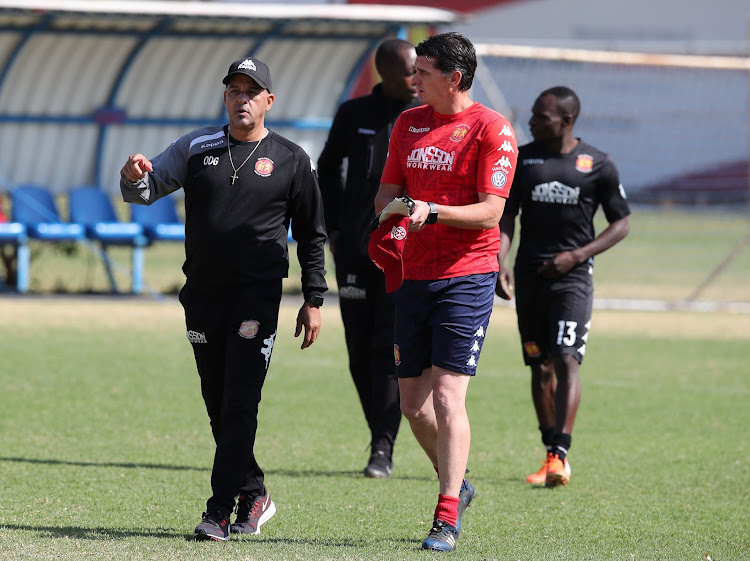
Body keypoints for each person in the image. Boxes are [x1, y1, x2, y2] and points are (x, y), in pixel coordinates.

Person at [120, 57, 328, 542]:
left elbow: (312, 235)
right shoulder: (196, 146)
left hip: (256, 298)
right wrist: (133, 176)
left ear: (269, 101)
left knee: (239, 403)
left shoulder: (292, 159)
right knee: (217, 402)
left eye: (251, 92)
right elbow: (146, 192)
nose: (242, 99)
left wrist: (314, 296)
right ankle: (254, 492)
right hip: (202, 295)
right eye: (234, 90)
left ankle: (218, 511)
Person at [372, 32, 517, 552]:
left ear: (454, 78)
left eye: (423, 72)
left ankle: (446, 513)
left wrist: (431, 211)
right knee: (413, 406)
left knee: (449, 396)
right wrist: (391, 213)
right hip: (414, 275)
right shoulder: (407, 124)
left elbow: (491, 211)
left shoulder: (492, 130)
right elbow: (386, 193)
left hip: (468, 275)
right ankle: (458, 480)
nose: (413, 80)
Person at [496, 86, 630, 487]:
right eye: (533, 115)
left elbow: (621, 223)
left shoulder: (598, 165)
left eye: (541, 116)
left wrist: (578, 255)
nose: (533, 122)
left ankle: (560, 454)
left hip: (572, 278)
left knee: (567, 358)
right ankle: (550, 453)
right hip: (529, 278)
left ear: (567, 121)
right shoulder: (523, 159)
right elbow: (507, 217)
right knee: (540, 367)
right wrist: (498, 259)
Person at [317, 38, 419, 479]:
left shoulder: (424, 117)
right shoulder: (354, 114)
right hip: (357, 251)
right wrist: (333, 229)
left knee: (387, 347)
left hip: (406, 253)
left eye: (420, 72)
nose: (416, 81)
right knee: (359, 351)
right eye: (407, 73)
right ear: (384, 73)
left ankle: (383, 446)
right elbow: (326, 170)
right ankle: (378, 435)